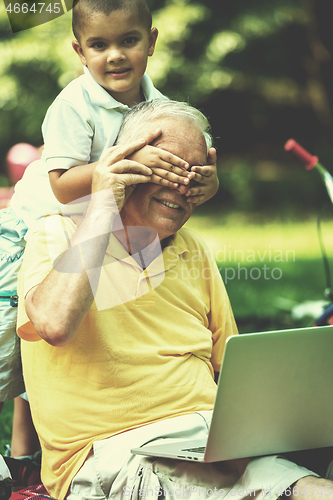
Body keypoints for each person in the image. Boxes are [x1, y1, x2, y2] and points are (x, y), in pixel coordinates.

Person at [16, 99, 333, 500]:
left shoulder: (193, 249)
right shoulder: (58, 234)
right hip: (116, 456)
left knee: (313, 488)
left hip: (214, 448)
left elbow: (235, 373)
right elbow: (54, 323)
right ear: (123, 164)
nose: (182, 186)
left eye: (194, 174)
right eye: (164, 168)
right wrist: (102, 203)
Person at [0, 0, 218, 466]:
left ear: (152, 42)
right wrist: (115, 164)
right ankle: (15, 447)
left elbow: (193, 158)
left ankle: (23, 451)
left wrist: (208, 182)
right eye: (99, 45)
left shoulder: (157, 106)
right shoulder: (72, 105)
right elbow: (60, 187)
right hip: (30, 228)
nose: (114, 55)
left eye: (128, 41)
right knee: (10, 340)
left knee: (44, 350)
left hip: (93, 226)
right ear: (80, 51)